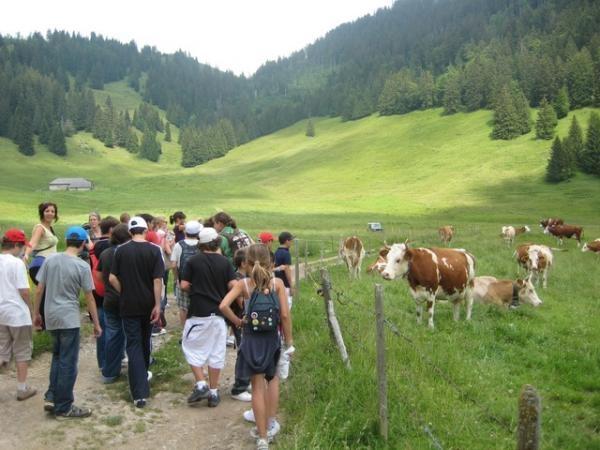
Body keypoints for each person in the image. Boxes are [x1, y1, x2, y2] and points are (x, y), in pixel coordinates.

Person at [220, 244, 293, 449]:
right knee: (273, 380)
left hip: (251, 340)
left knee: (257, 387)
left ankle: (262, 438)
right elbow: (285, 315)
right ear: (271, 262)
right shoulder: (277, 283)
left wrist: (238, 321)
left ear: (247, 263)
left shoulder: (243, 284)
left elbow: (223, 305)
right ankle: (270, 425)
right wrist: (290, 342)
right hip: (271, 339)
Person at [34, 226, 102, 419]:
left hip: (51, 316)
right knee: (68, 362)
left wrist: (36, 314)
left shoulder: (50, 260)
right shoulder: (81, 266)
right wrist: (96, 323)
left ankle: (52, 396)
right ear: (82, 244)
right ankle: (64, 406)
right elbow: (89, 297)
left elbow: (39, 289)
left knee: (57, 357)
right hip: (69, 318)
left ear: (65, 241)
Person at [109, 216, 163, 408]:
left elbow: (112, 277)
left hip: (128, 304)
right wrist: (157, 305)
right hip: (148, 304)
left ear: (130, 232)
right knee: (145, 341)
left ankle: (139, 393)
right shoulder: (154, 250)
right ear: (145, 230)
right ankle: (142, 378)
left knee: (133, 344)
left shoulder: (121, 251)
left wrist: (124, 291)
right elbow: (158, 280)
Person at [180, 227, 236, 408]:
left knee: (190, 346)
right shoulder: (225, 262)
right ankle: (213, 392)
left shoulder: (193, 261)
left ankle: (201, 383)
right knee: (216, 353)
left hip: (199, 311)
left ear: (200, 244)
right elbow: (233, 285)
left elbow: (184, 285)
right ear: (217, 242)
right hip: (219, 315)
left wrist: (197, 290)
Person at [0, 229, 36, 401]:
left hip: (1, 313)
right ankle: (22, 388)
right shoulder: (17, 263)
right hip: (17, 314)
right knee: (22, 350)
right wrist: (31, 310)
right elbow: (24, 291)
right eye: (22, 247)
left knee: (2, 351)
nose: (23, 250)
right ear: (15, 245)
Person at [96, 224, 131, 383]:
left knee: (112, 334)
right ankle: (135, 365)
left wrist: (107, 287)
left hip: (109, 299)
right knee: (130, 333)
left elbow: (97, 275)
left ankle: (109, 371)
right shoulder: (128, 253)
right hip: (126, 299)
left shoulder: (105, 253)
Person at [23, 202, 59, 329]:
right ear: (42, 212)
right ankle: (43, 325)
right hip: (41, 265)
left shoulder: (50, 228)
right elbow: (32, 243)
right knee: (45, 294)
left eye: (52, 211)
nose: (50, 213)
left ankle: (44, 325)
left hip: (48, 265)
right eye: (47, 211)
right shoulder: (40, 227)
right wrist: (26, 254)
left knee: (46, 294)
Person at [90, 216, 119, 372]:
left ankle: (102, 362)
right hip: (109, 291)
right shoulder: (111, 247)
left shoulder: (93, 245)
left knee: (100, 328)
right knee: (113, 330)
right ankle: (112, 362)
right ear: (112, 230)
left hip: (95, 291)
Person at [230, 248, 251, 402]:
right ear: (244, 263)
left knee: (246, 350)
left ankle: (245, 380)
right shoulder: (238, 280)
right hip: (240, 321)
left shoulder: (243, 277)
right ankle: (239, 387)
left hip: (243, 320)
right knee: (243, 352)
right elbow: (241, 302)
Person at [170, 220, 202, 326]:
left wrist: (176, 279)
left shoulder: (179, 245)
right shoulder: (201, 245)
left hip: (183, 281)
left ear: (185, 232)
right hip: (199, 282)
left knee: (183, 309)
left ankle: (185, 333)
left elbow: (174, 265)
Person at [274, 231, 295, 309]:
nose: (291, 243)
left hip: (277, 284)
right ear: (287, 241)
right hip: (285, 285)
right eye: (291, 241)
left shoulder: (276, 252)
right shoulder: (286, 253)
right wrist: (291, 286)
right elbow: (287, 270)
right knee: (287, 307)